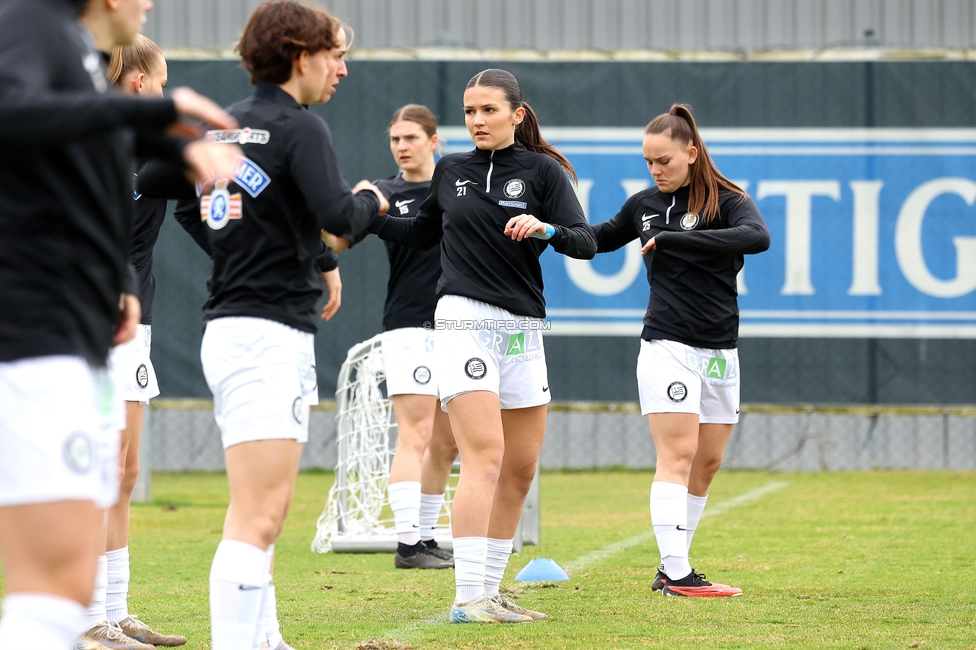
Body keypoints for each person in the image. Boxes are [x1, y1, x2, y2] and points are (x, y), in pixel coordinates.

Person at [147, 2, 387, 648]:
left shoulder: (222, 126)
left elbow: (158, 181)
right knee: (259, 515)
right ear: (299, 55)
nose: (341, 69)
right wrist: (375, 199)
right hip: (264, 335)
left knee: (261, 509)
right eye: (334, 54)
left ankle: (266, 638)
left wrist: (249, 241)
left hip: (239, 330)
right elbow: (340, 215)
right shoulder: (299, 128)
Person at [0, 0, 239, 648]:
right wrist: (157, 114)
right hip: (37, 332)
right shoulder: (32, 29)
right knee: (52, 576)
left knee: (62, 572)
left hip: (84, 326)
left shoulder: (72, 53)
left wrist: (113, 279)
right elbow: (14, 117)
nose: (149, 4)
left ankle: (107, 613)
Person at [368, 68, 596, 623]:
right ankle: (467, 596)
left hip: (521, 328)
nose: (477, 121)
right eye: (470, 112)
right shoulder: (451, 170)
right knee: (484, 456)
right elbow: (421, 234)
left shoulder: (544, 172)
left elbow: (585, 242)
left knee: (520, 466)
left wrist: (544, 230)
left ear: (517, 115)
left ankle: (489, 591)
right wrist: (371, 216)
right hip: (462, 319)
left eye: (488, 110)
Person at [592, 104, 770, 597]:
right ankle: (676, 572)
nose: (655, 171)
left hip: (720, 350)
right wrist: (549, 231)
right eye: (649, 162)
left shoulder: (728, 200)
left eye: (664, 160)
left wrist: (675, 239)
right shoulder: (644, 204)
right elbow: (600, 238)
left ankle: (674, 565)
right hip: (667, 344)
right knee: (678, 453)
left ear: (691, 153)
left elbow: (757, 238)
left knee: (706, 463)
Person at [74, 34, 188, 649]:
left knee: (123, 472)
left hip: (134, 330)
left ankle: (116, 611)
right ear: (139, 82)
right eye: (162, 80)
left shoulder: (153, 154)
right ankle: (88, 615)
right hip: (90, 324)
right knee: (96, 471)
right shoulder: (87, 145)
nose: (165, 92)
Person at [328, 105, 459, 571]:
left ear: (433, 140)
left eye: (410, 138)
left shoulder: (456, 186)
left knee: (447, 443)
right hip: (410, 326)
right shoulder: (383, 193)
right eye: (395, 140)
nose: (402, 147)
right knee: (416, 432)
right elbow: (337, 235)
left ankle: (423, 538)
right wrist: (351, 203)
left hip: (460, 327)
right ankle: (407, 546)